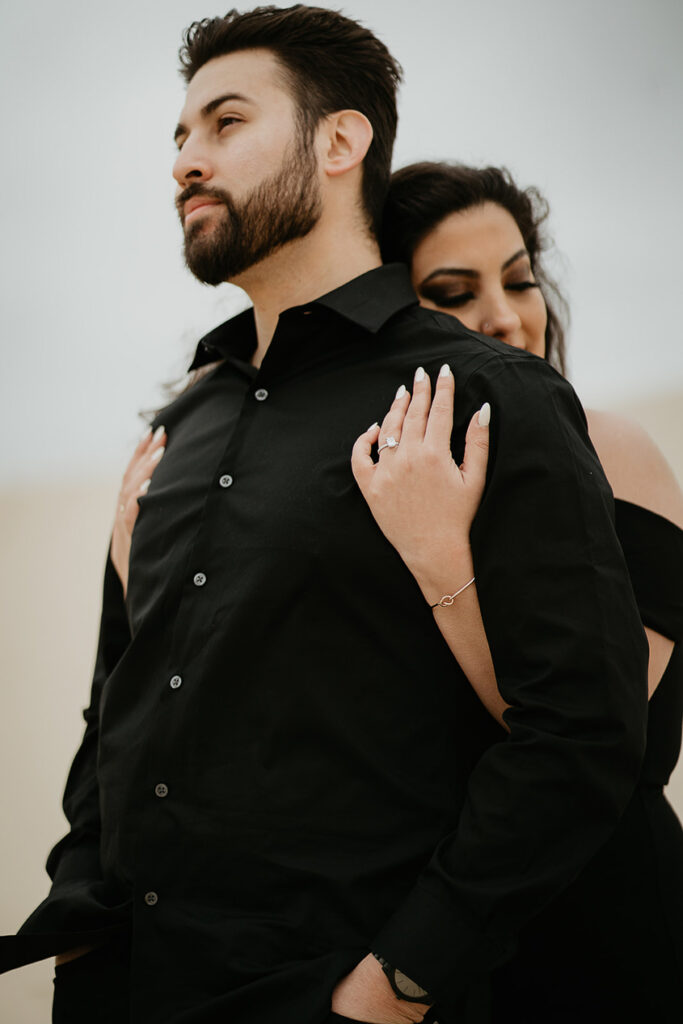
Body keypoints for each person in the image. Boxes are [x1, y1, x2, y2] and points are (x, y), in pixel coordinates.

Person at [0, 9, 650, 1024]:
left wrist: (394, 986)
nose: (185, 160)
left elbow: (581, 733)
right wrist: (81, 921)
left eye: (223, 122)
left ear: (340, 142)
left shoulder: (484, 395)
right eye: (178, 136)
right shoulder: (179, 427)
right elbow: (116, 711)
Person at [368, 161, 682, 1021]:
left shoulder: (613, 450)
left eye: (518, 278)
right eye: (453, 291)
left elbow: (598, 734)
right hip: (429, 933)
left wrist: (438, 558)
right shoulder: (378, 484)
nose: (506, 315)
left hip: (601, 927)